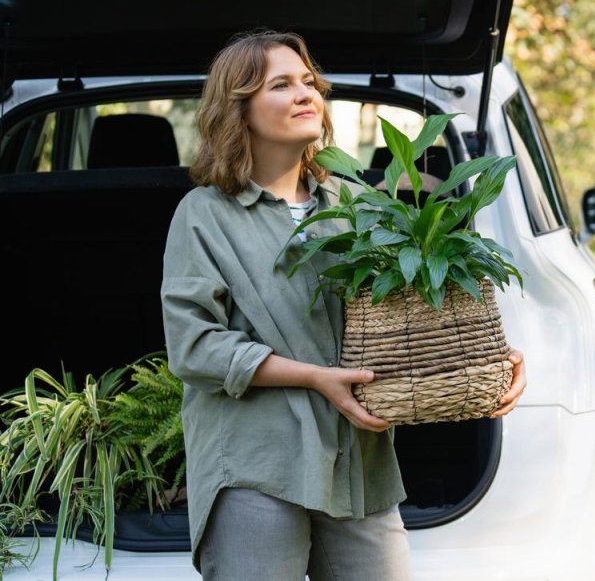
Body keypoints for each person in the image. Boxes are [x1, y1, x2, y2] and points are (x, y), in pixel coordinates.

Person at [160, 30, 527, 581]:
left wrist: (482, 358)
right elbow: (195, 347)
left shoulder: (358, 203)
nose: (307, 94)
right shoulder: (205, 214)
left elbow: (411, 311)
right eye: (281, 84)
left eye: (309, 82)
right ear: (238, 108)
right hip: (257, 465)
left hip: (359, 465)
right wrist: (315, 377)